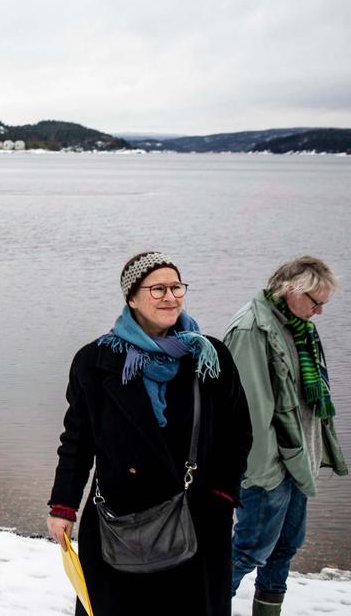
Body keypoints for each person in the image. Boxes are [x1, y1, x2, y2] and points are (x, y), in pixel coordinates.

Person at [47, 251, 252, 616]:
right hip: (119, 518)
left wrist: (223, 495)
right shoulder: (95, 361)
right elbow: (77, 441)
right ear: (131, 297)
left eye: (176, 287)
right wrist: (63, 506)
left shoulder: (208, 355)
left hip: (197, 516)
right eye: (158, 289)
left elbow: (236, 432)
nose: (170, 297)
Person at [225, 256, 347, 615]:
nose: (320, 312)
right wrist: (266, 476)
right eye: (316, 302)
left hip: (297, 463)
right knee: (249, 549)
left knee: (285, 547)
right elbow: (249, 414)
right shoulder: (251, 329)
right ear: (290, 290)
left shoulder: (297, 325)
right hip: (269, 470)